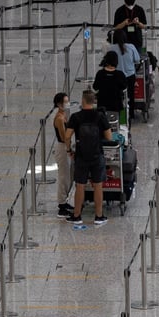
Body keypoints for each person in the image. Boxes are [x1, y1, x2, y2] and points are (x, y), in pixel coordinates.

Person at [64, 89, 112, 226]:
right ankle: (99, 216)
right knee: (98, 186)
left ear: (83, 101)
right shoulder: (100, 116)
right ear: (94, 102)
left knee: (80, 185)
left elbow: (67, 136)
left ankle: (77, 216)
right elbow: (109, 136)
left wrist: (69, 149)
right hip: (97, 155)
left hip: (81, 156)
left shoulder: (76, 117)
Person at [107, 29, 141, 121]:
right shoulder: (131, 47)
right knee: (131, 95)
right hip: (130, 75)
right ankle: (131, 114)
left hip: (117, 76)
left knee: (117, 95)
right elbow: (137, 59)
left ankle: (118, 114)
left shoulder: (111, 48)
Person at [51, 92, 73, 217]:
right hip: (62, 148)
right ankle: (61, 205)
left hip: (65, 147)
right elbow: (64, 136)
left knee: (67, 176)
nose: (67, 103)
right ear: (59, 104)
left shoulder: (63, 115)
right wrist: (69, 149)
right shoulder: (59, 118)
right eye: (65, 101)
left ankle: (64, 200)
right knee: (63, 176)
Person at [92, 51, 129, 118]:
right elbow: (124, 87)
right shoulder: (120, 74)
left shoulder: (100, 74)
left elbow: (95, 87)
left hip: (102, 106)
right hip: (116, 106)